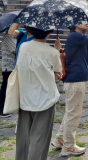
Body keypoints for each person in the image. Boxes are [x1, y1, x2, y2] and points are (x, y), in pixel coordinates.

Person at [51, 19, 88, 157]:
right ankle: (69, 146)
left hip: (78, 78)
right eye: (81, 20)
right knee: (74, 113)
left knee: (71, 111)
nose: (86, 22)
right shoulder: (74, 35)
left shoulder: (79, 37)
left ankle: (60, 139)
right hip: (76, 79)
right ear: (73, 24)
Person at [16, 27, 63, 160]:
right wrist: (57, 50)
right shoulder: (52, 52)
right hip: (45, 99)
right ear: (49, 33)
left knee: (23, 138)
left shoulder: (24, 47)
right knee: (40, 139)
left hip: (25, 97)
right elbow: (58, 71)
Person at [0, 30, 17, 117]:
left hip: (11, 66)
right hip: (8, 66)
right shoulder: (8, 36)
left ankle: (5, 108)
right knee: (5, 87)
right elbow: (15, 50)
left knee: (8, 88)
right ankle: (0, 109)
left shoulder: (12, 36)